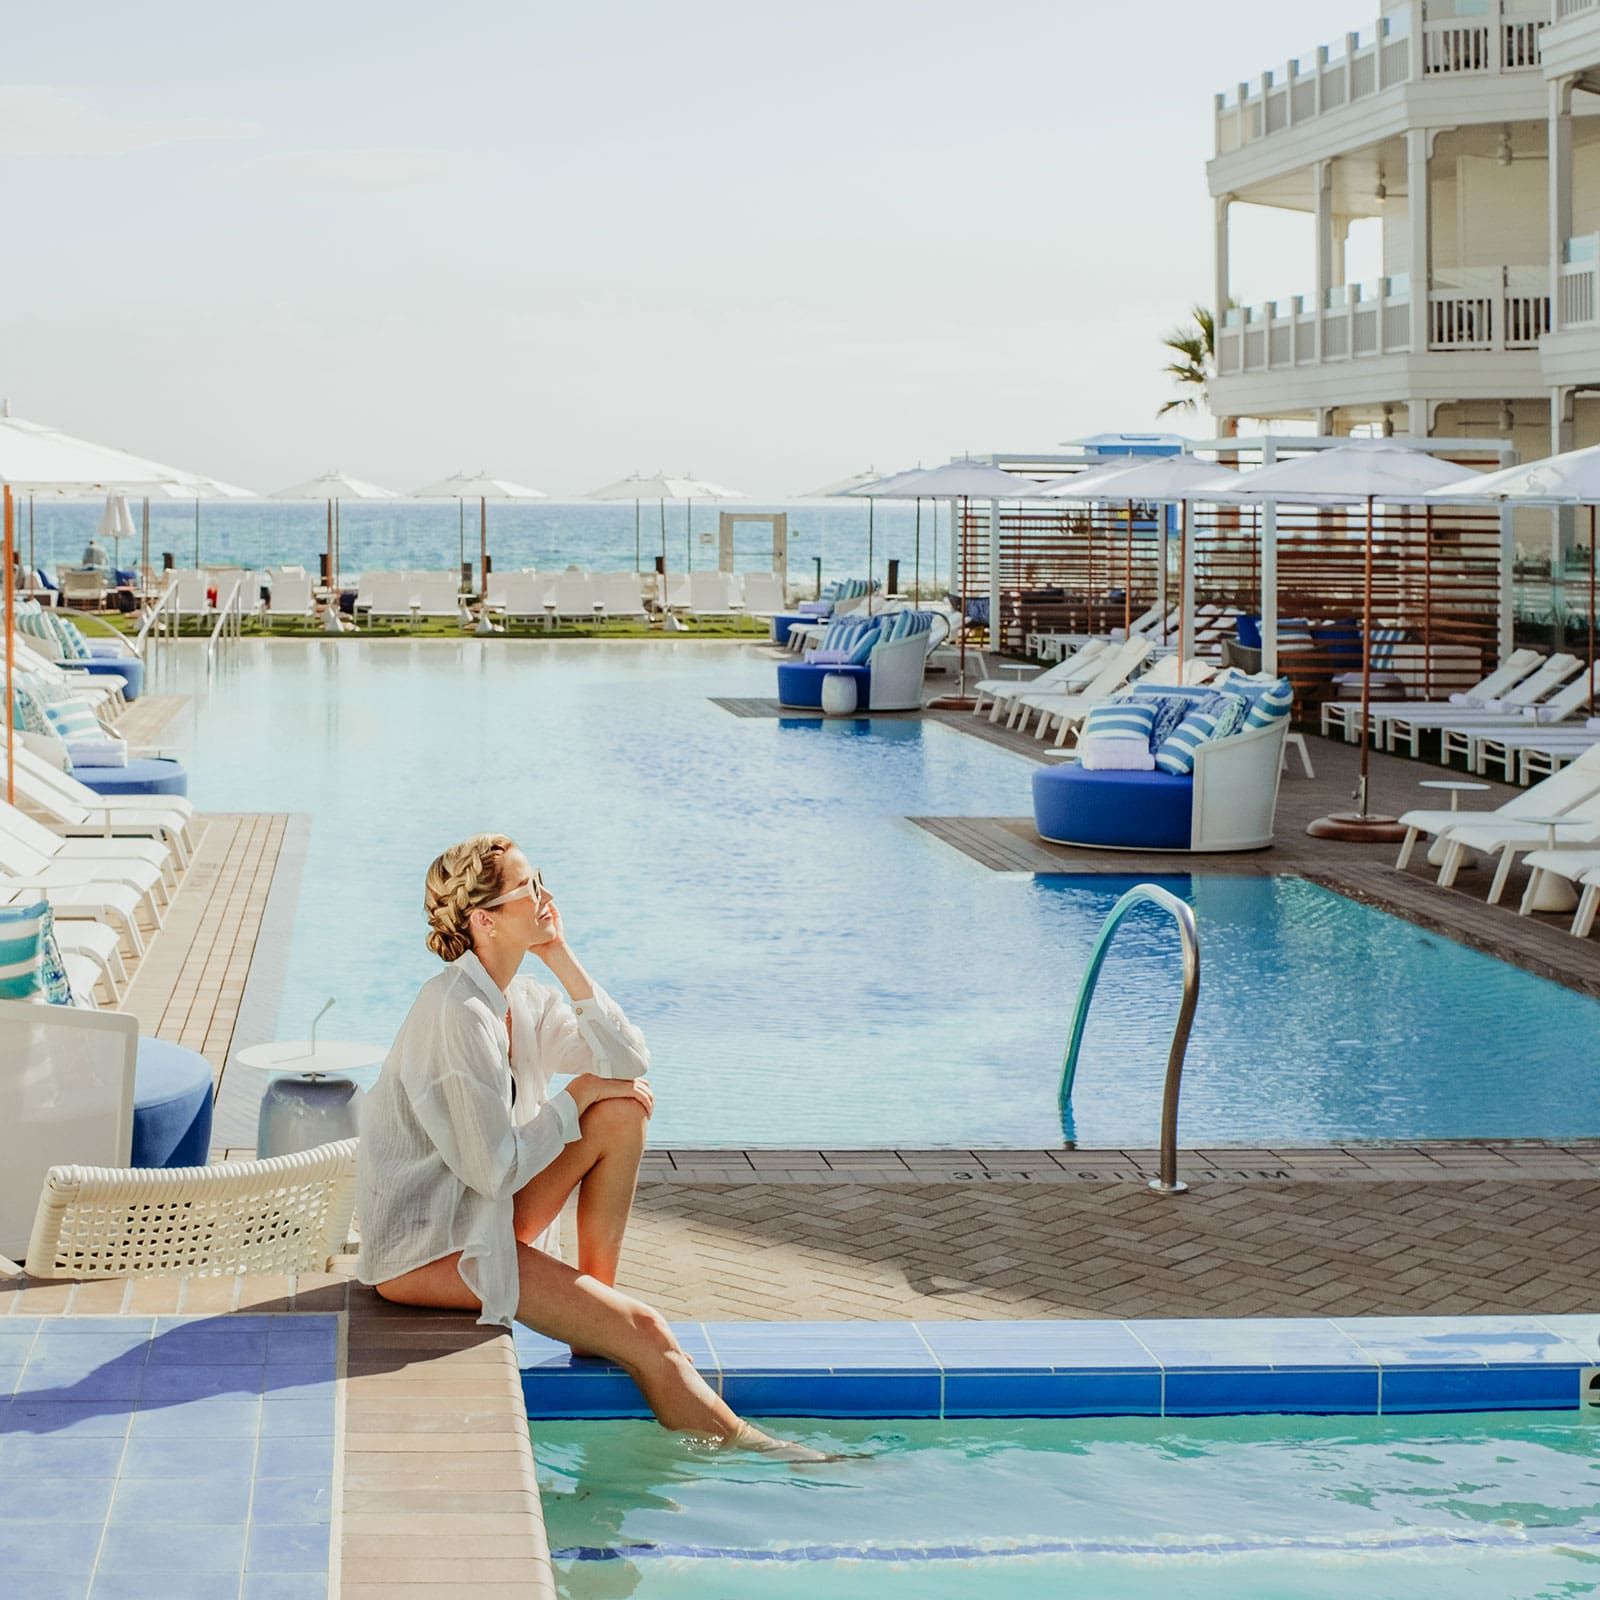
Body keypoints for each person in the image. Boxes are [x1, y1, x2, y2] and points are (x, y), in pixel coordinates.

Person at [358, 833, 818, 1457]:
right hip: (431, 1247)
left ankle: (594, 1315)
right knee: (648, 1330)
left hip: (486, 1217)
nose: (545, 894)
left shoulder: (521, 997)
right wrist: (575, 1096)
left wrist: (561, 955)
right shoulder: (458, 1013)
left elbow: (630, 1061)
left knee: (622, 1108)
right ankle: (767, 1456)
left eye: (540, 877)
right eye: (528, 888)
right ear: (484, 920)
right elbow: (493, 1171)